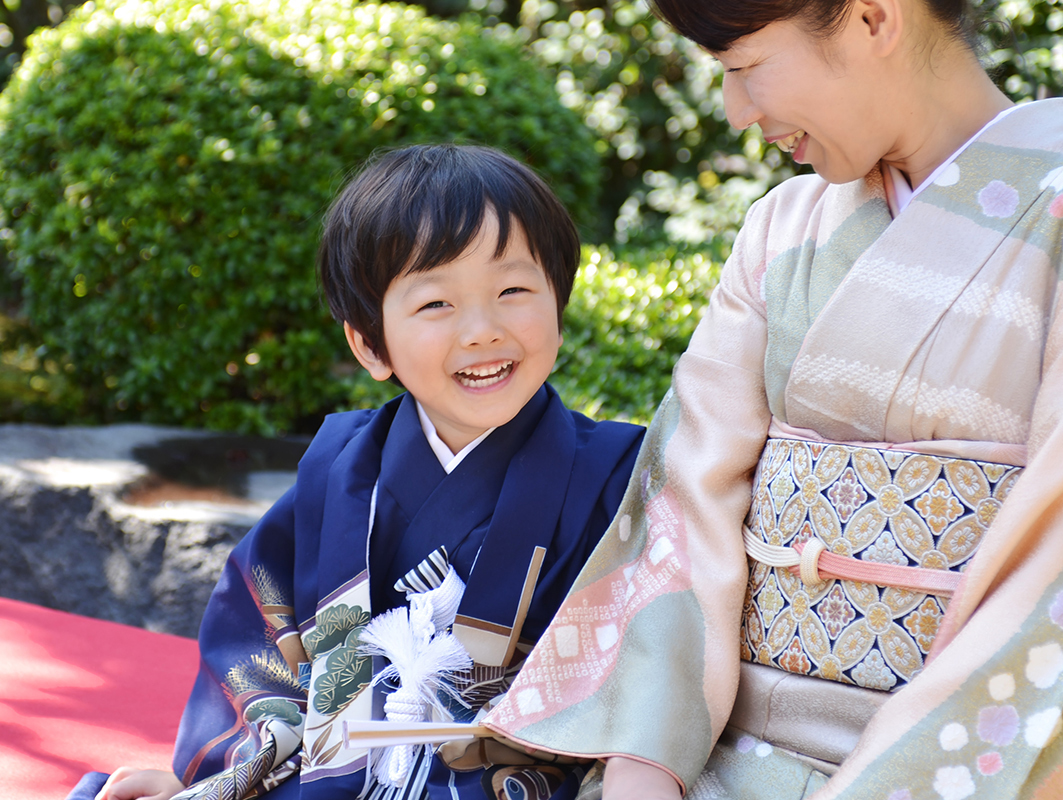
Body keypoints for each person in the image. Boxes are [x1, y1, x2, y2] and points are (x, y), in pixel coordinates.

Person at [479, 1, 1063, 798]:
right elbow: (685, 502)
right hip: (721, 755)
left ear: (869, 18)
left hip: (969, 758)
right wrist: (645, 766)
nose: (735, 111)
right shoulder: (781, 229)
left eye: (743, 67)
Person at [78, 144, 645, 800]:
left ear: (559, 300)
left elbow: (639, 664)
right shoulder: (341, 470)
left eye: (513, 290)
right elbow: (260, 619)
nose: (483, 330)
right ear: (371, 344)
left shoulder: (613, 475)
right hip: (331, 766)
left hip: (507, 778)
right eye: (436, 305)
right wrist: (224, 773)